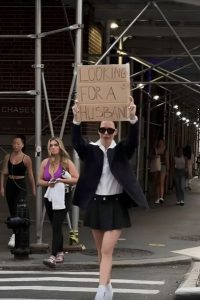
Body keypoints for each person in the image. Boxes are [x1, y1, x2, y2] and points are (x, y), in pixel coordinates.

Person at [71, 97, 148, 300]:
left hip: (115, 205)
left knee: (106, 250)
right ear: (98, 131)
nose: (106, 133)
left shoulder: (121, 150)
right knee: (100, 251)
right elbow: (76, 142)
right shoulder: (90, 150)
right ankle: (109, 285)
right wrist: (76, 120)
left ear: (115, 132)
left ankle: (100, 290)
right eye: (103, 129)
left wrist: (132, 118)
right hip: (96, 203)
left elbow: (133, 141)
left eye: (110, 130)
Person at [37, 137, 79, 268]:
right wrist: (49, 183)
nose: (53, 147)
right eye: (51, 145)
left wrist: (61, 181)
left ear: (60, 147)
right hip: (49, 196)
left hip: (63, 196)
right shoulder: (45, 162)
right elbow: (39, 181)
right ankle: (60, 252)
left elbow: (76, 178)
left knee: (56, 225)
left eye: (55, 145)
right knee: (56, 225)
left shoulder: (66, 162)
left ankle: (53, 256)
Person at [0, 134, 36, 248]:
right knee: (12, 211)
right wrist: (2, 187)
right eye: (14, 143)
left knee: (19, 209)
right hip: (10, 184)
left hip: (21, 185)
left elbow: (30, 175)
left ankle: (16, 236)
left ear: (22, 145)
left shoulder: (26, 158)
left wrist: (33, 188)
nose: (15, 145)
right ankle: (15, 234)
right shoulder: (8, 156)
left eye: (18, 143)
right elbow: (3, 173)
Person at [154, 139, 169, 204]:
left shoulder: (165, 150)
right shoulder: (156, 148)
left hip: (163, 166)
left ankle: (161, 197)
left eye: (161, 142)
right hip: (156, 166)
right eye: (159, 142)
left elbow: (167, 160)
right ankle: (157, 197)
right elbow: (152, 156)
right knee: (157, 182)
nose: (160, 143)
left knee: (161, 181)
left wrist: (167, 170)